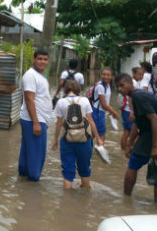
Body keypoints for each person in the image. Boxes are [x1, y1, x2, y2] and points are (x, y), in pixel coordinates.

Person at [115, 73, 157, 204]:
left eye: (122, 85)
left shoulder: (138, 96)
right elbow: (137, 122)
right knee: (145, 167)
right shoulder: (137, 96)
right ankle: (130, 201)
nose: (120, 89)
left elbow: (155, 120)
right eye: (117, 87)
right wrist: (130, 144)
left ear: (131, 84)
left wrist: (155, 147)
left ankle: (128, 201)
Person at [51, 80, 103, 189]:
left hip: (67, 140)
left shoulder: (61, 102)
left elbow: (59, 124)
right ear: (78, 89)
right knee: (84, 169)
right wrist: (98, 138)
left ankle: (67, 199)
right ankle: (84, 198)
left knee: (68, 170)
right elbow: (91, 121)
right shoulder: (85, 101)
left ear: (66, 90)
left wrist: (55, 140)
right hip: (84, 140)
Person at [18, 49, 52, 181]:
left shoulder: (40, 75)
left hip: (35, 119)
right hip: (35, 120)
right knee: (37, 155)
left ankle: (23, 180)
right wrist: (36, 123)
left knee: (28, 152)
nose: (42, 62)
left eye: (45, 59)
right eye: (40, 59)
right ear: (34, 59)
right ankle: (33, 185)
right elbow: (29, 99)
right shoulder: (31, 75)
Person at [91, 67, 120, 143]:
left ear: (112, 76)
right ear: (101, 75)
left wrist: (111, 112)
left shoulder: (107, 85)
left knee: (93, 133)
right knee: (101, 134)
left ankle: (85, 150)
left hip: (98, 111)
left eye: (108, 75)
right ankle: (100, 153)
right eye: (104, 74)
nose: (106, 76)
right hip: (98, 112)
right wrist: (114, 112)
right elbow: (104, 105)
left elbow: (106, 103)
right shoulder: (101, 86)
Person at [119, 67, 144, 150]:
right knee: (128, 132)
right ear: (134, 74)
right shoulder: (133, 83)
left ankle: (124, 149)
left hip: (126, 110)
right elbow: (130, 98)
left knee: (127, 131)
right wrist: (133, 111)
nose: (141, 76)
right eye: (139, 74)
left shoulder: (134, 83)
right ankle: (126, 149)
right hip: (129, 111)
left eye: (142, 74)